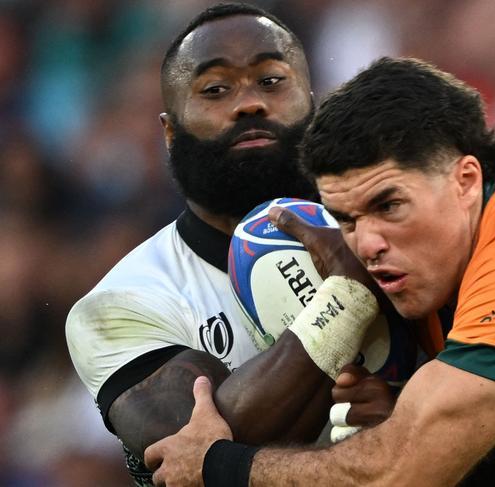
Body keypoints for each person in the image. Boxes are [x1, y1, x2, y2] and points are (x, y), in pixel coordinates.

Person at [144, 57, 495, 486]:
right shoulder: (442, 262)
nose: (365, 245)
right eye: (345, 219)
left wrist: (217, 466)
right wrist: (406, 410)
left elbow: (400, 473)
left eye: (388, 205)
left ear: (466, 180)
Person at [66, 4, 409, 486]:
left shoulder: (395, 226)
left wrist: (405, 413)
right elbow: (205, 456)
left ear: (312, 103)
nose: (248, 103)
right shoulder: (118, 305)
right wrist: (348, 297)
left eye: (271, 81)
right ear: (169, 130)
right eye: (215, 89)